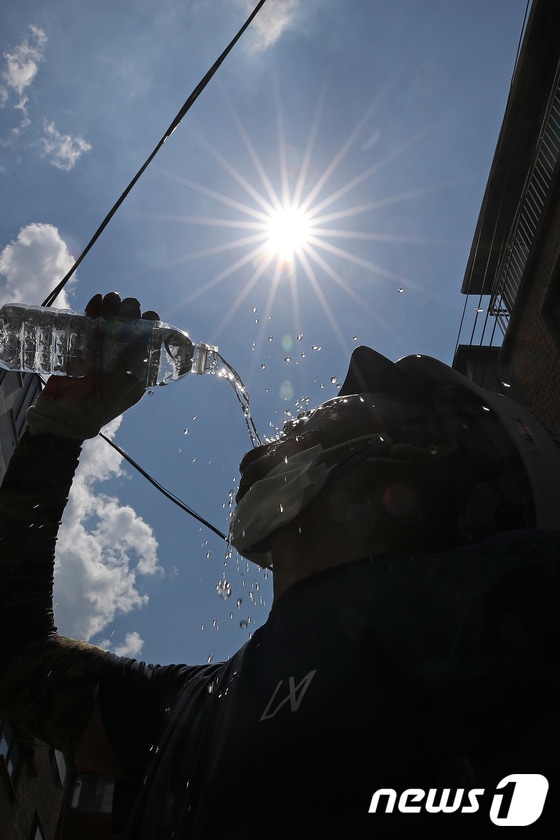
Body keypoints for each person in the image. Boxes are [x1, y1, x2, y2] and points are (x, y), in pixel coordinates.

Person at [1, 291, 558, 839]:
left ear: (413, 456)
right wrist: (56, 432)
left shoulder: (505, 595)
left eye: (314, 424)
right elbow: (15, 658)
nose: (265, 446)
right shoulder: (196, 708)